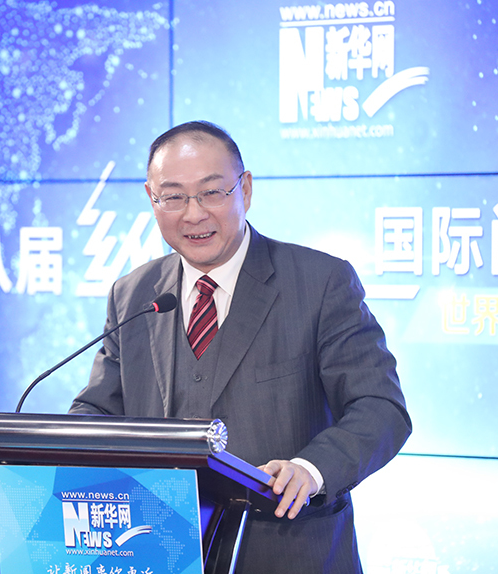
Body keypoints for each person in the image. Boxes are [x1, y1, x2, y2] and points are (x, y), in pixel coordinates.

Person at [70, 120, 412, 573]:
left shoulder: (320, 282)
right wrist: (52, 454)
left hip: (291, 553)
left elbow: (380, 407)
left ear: (245, 189)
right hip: (158, 552)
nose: (193, 214)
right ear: (151, 199)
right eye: (173, 197)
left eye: (212, 192)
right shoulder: (133, 294)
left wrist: (311, 469)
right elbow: (98, 410)